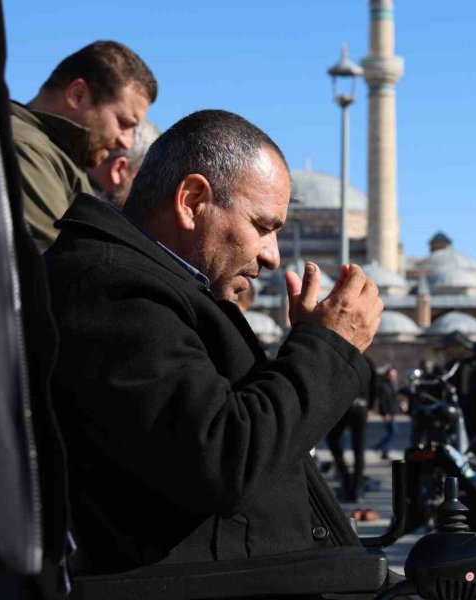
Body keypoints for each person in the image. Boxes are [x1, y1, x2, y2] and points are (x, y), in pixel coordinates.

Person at [45, 110, 383, 573]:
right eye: (263, 226)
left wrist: (310, 345)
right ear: (192, 200)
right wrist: (327, 346)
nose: (272, 256)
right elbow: (224, 459)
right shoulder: (109, 288)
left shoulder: (164, 287)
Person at [12, 41, 157, 251]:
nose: (126, 141)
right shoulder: (26, 148)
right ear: (77, 94)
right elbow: (56, 267)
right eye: (124, 123)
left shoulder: (57, 155)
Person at [87, 118, 160, 208]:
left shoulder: (69, 192)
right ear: (118, 169)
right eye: (148, 179)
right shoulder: (87, 217)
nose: (152, 192)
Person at [375, 367, 401, 460]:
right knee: (393, 432)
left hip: (393, 412)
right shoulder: (383, 385)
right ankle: (382, 447)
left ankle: (383, 451)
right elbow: (383, 401)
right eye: (392, 374)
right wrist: (386, 413)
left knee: (392, 432)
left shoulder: (393, 385)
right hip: (388, 412)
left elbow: (394, 400)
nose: (393, 376)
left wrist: (397, 411)